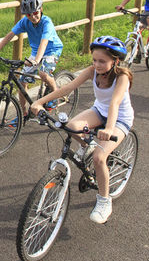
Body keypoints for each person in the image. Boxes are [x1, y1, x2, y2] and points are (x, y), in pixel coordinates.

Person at [30, 35, 133, 224]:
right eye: (95, 60)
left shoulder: (122, 77)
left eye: (102, 61)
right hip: (99, 111)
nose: (97, 65)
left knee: (99, 158)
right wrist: (40, 102)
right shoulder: (93, 71)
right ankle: (89, 145)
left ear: (115, 61)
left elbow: (115, 103)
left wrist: (109, 129)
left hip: (119, 119)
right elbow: (67, 88)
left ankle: (104, 201)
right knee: (70, 126)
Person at [0, 0, 63, 114]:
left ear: (41, 9)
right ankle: (23, 114)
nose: (33, 17)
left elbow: (44, 43)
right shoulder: (24, 22)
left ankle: (55, 95)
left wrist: (36, 60)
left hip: (52, 50)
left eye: (35, 12)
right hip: (36, 52)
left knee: (43, 73)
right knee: (22, 83)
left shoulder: (47, 23)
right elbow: (10, 35)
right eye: (29, 14)